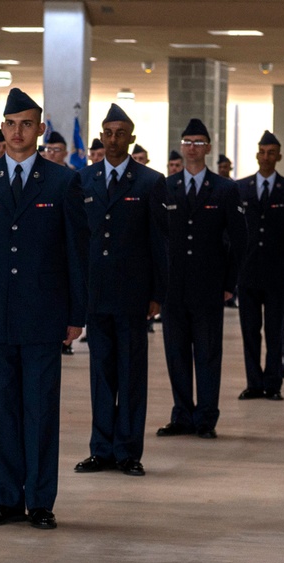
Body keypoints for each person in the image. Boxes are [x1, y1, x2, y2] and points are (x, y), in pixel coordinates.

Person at [0, 88, 88, 530]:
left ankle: (40, 501)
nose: (18, 132)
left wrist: (76, 315)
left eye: (27, 124)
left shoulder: (63, 181)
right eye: (11, 124)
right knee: (3, 409)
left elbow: (76, 252)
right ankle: (6, 498)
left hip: (44, 312)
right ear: (2, 127)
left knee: (40, 408)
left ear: (40, 129)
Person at [73, 103, 167, 478]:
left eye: (120, 133)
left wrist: (158, 293)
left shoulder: (149, 181)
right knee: (100, 372)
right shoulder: (83, 179)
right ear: (101, 135)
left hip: (133, 294)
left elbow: (159, 242)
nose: (113, 140)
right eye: (108, 133)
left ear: (131, 138)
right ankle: (101, 448)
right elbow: (77, 240)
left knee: (130, 374)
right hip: (96, 292)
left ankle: (128, 450)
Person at [155, 118, 246, 440]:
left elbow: (238, 240)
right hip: (172, 288)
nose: (192, 148)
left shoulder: (225, 189)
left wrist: (229, 284)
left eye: (198, 142)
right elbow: (156, 239)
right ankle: (182, 414)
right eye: (187, 142)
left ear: (208, 148)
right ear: (182, 147)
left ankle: (206, 417)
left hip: (209, 287)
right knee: (176, 353)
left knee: (207, 354)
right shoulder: (166, 187)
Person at [235, 130, 284, 401]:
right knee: (249, 331)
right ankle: (253, 382)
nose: (266, 157)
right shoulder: (241, 187)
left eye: (271, 152)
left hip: (277, 272)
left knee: (274, 331)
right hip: (247, 272)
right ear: (257, 154)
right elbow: (233, 233)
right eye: (262, 152)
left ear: (280, 156)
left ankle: (273, 384)